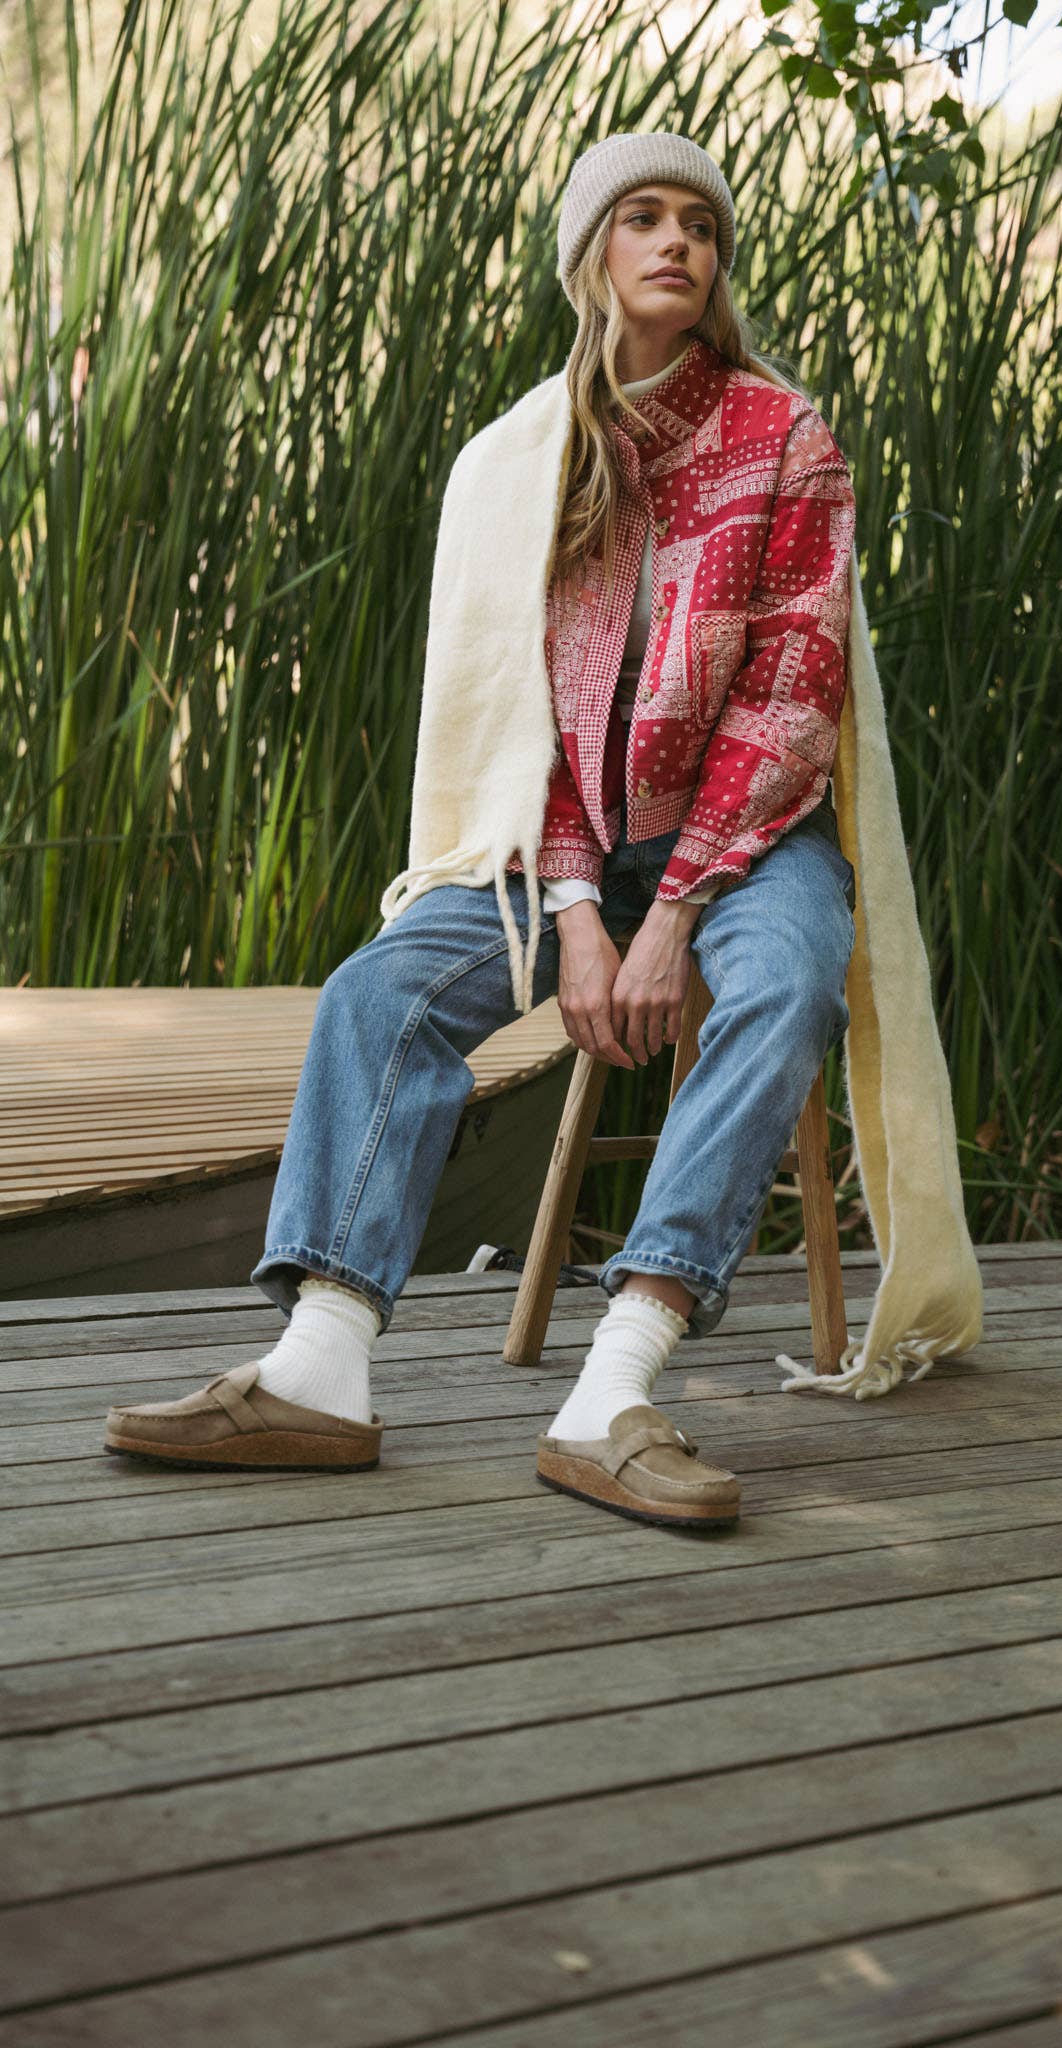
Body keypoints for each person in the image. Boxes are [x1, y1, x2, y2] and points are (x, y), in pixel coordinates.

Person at [104, 131, 863, 1530]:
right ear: (591, 255)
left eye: (699, 224)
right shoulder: (527, 458)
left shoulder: (785, 438)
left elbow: (789, 696)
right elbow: (527, 721)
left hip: (753, 844)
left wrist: (673, 914)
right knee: (379, 991)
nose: (676, 242)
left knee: (789, 983)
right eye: (643, 217)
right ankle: (323, 1367)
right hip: (565, 848)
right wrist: (580, 912)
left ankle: (616, 1385)